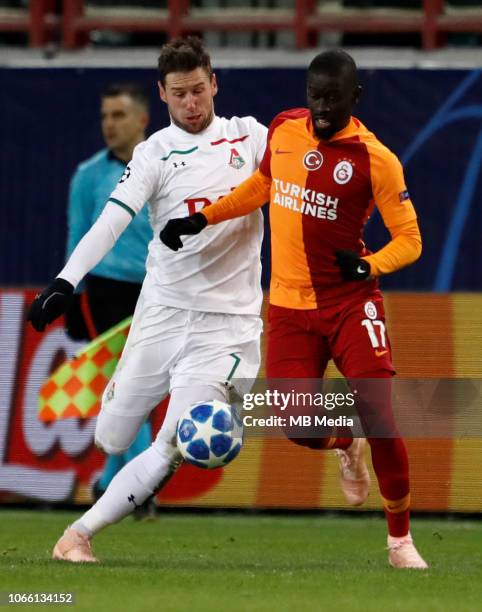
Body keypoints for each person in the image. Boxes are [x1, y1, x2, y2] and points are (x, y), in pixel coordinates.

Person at [160, 49, 428, 569]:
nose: (322, 109)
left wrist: (369, 267)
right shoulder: (284, 128)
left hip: (350, 305)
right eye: (315, 97)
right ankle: (345, 445)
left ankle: (400, 542)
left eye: (332, 99)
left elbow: (411, 240)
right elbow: (263, 185)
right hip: (287, 308)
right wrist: (204, 218)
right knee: (296, 422)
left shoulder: (377, 159)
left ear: (355, 97)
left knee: (382, 416)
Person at [27, 36, 267, 563]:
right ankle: (130, 416)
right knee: (112, 436)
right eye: (179, 93)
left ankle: (77, 536)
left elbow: (301, 169)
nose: (192, 103)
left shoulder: (251, 139)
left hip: (226, 323)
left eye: (199, 90)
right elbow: (112, 220)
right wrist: (65, 281)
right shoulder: (154, 152)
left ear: (214, 83)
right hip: (160, 311)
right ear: (162, 94)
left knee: (173, 443)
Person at [64, 83, 155, 516]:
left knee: (140, 392)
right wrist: (70, 296)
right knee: (129, 389)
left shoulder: (163, 166)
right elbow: (77, 236)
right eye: (104, 116)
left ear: (142, 120)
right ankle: (140, 489)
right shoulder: (87, 176)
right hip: (106, 292)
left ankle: (107, 482)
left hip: (156, 291)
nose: (109, 125)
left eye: (118, 115)